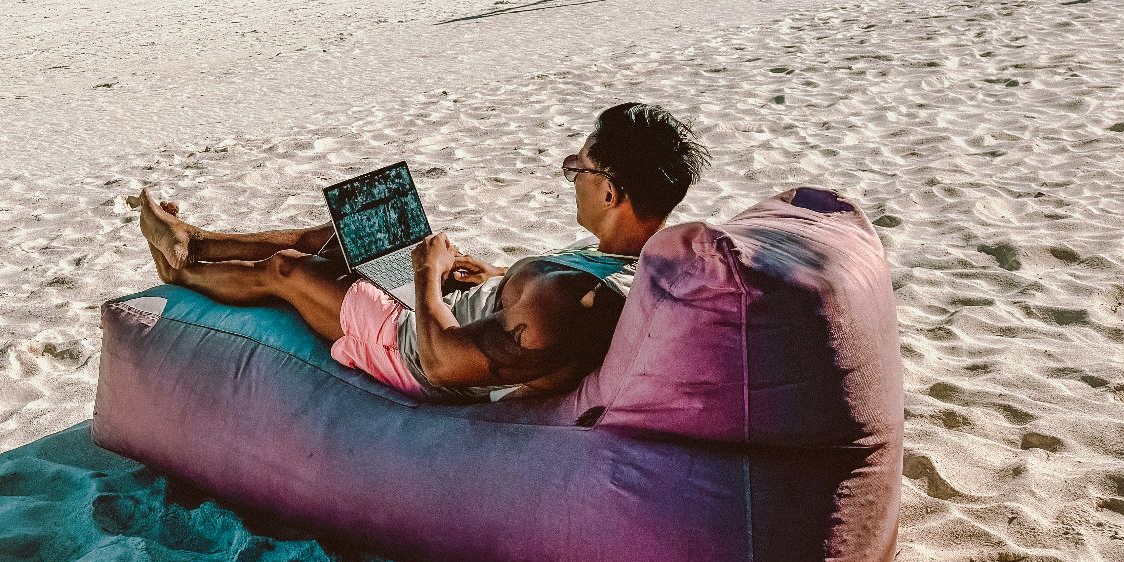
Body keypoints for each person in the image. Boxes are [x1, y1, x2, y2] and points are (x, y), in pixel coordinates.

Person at [133, 102, 709, 401]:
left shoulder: (569, 303)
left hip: (411, 345)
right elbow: (541, 300)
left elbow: (440, 366)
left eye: (576, 167)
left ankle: (182, 271)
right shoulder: (631, 261)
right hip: (456, 308)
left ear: (611, 191)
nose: (570, 175)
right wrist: (496, 277)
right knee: (346, 234)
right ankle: (199, 239)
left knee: (288, 270)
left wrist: (425, 274)